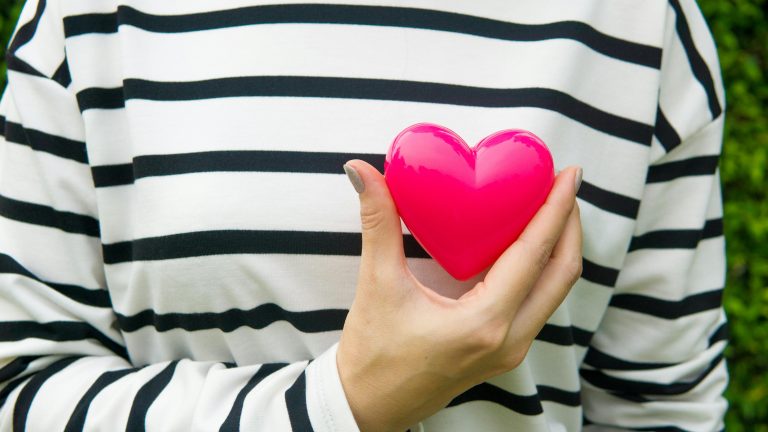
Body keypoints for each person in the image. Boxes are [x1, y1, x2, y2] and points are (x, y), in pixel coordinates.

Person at [0, 1, 727, 430]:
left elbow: (660, 411)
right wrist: (347, 400)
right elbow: (19, 391)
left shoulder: (642, 20)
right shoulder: (89, 14)